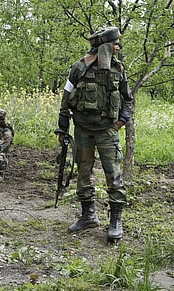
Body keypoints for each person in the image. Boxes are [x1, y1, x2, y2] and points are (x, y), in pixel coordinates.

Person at [56, 26, 134, 240]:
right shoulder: (78, 67)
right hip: (82, 130)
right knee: (83, 175)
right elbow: (66, 99)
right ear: (105, 46)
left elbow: (127, 100)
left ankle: (115, 221)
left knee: (113, 176)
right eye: (115, 44)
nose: (118, 48)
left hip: (107, 131)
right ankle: (88, 216)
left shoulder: (118, 69)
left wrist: (120, 122)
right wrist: (62, 128)